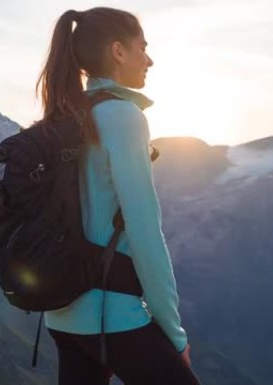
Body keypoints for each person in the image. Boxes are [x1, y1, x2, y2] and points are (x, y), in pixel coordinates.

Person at [36, 7, 201, 385]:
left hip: (62, 317)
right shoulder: (124, 117)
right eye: (142, 48)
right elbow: (145, 233)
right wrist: (174, 336)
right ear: (118, 51)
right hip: (112, 315)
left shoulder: (65, 114)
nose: (150, 59)